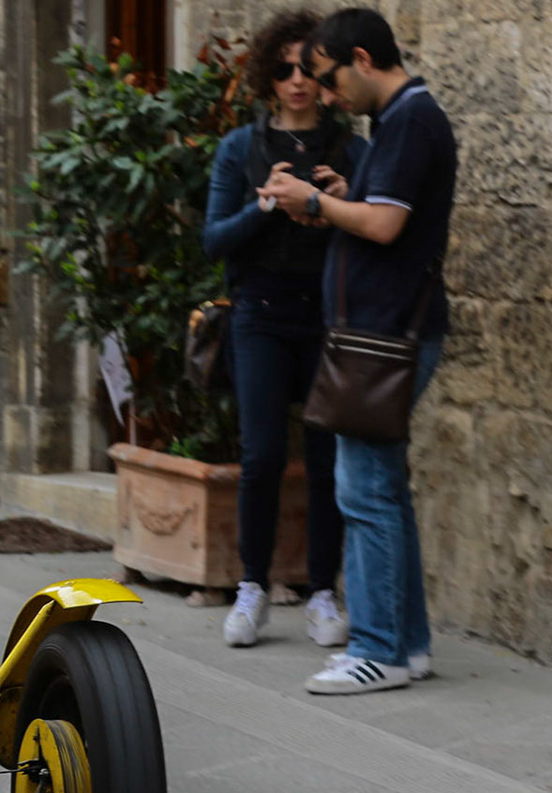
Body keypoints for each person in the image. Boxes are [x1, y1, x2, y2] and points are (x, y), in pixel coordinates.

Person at [259, 7, 456, 695]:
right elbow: (381, 209)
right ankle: (409, 645)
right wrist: (347, 193)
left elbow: (384, 224)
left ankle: (377, 650)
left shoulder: (408, 119)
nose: (331, 97)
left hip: (386, 334)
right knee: (383, 491)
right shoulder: (404, 120)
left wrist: (315, 202)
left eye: (332, 80)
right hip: (388, 330)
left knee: (363, 490)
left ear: (363, 60)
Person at [203, 7, 365, 650]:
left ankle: (323, 592)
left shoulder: (351, 147)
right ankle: (252, 588)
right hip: (260, 319)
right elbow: (214, 241)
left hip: (328, 319)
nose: (297, 80)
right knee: (262, 455)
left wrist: (342, 198)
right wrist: (266, 204)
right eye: (285, 68)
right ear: (268, 76)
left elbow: (379, 226)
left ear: (325, 75)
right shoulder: (240, 149)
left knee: (327, 461)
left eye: (309, 68)